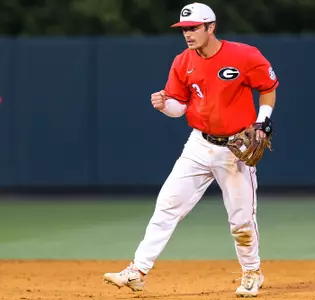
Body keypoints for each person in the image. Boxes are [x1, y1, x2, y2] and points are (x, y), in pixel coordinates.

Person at [103, 2, 279, 297]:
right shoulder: (183, 61)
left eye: (194, 27)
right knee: (167, 206)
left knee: (241, 220)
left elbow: (268, 87)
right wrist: (164, 105)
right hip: (198, 144)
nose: (188, 33)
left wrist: (262, 124)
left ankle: (251, 272)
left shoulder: (244, 55)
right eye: (184, 29)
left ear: (211, 27)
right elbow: (179, 106)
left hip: (235, 148)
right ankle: (138, 270)